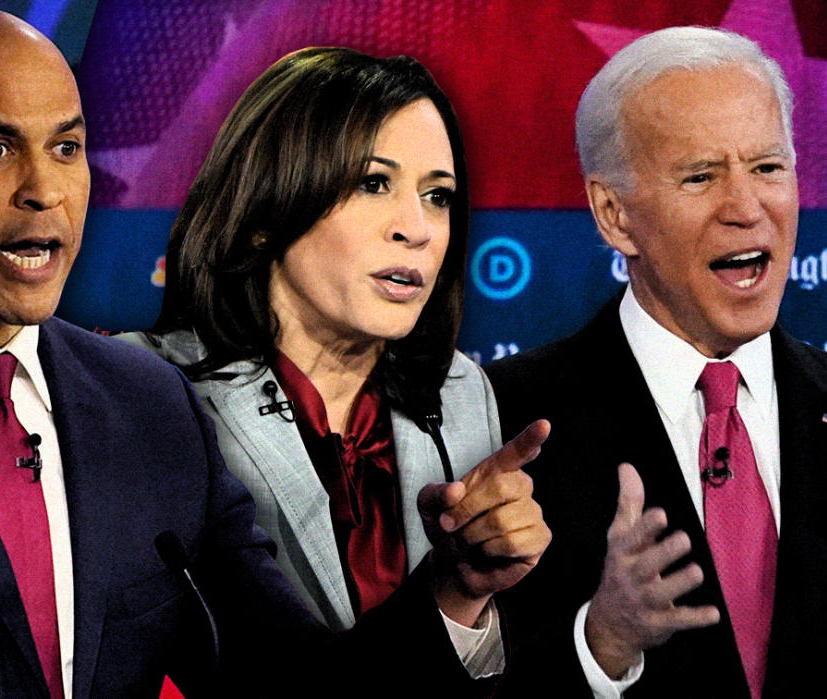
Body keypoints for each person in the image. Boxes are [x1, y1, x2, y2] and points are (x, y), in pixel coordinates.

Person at [0, 11, 544, 698]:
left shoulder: (149, 406)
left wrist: (458, 587)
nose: (45, 188)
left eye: (67, 147)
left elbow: (296, 683)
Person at [485, 26, 827, 699]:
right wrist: (600, 644)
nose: (747, 209)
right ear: (614, 214)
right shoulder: (506, 426)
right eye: (701, 175)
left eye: (769, 168)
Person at [124, 47, 547, 660]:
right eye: (374, 184)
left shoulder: (458, 392)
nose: (418, 229)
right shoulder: (147, 391)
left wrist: (485, 600)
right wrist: (448, 592)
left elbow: (488, 673)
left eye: (438, 196)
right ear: (267, 209)